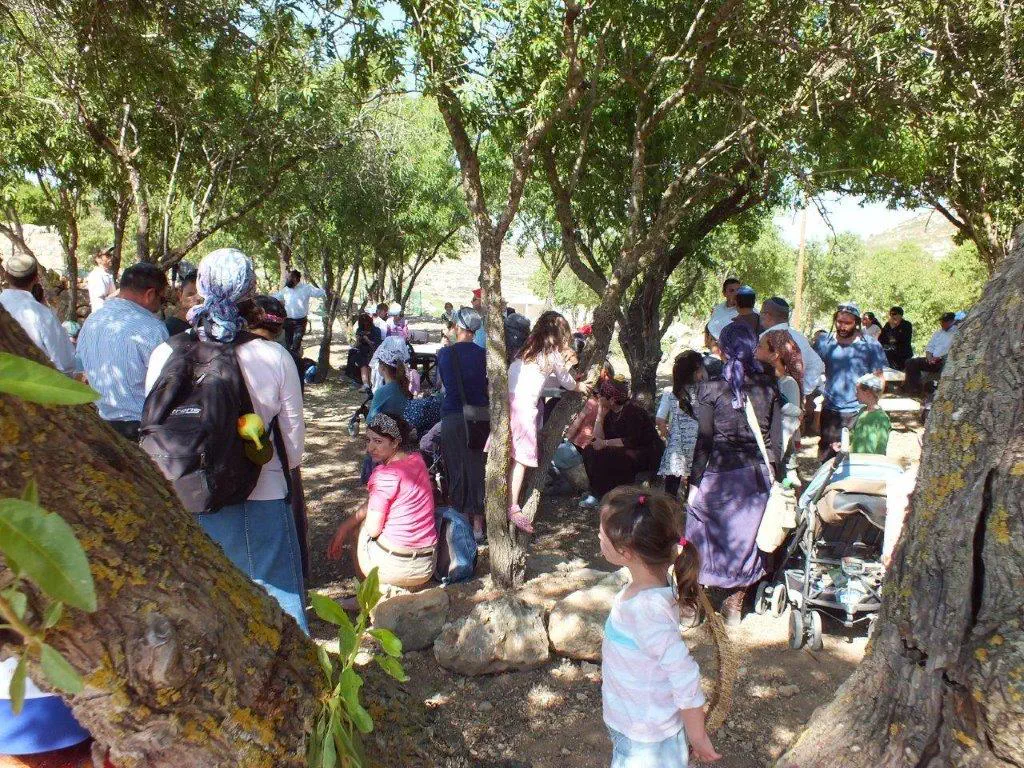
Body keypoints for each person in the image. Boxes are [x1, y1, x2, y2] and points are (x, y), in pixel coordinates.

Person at [146, 248, 308, 632]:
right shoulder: (273, 357)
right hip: (261, 494)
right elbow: (293, 448)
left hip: (187, 493)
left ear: (200, 288)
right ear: (250, 291)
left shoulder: (165, 352)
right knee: (280, 607)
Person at [599, 487, 720, 767]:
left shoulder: (646, 610)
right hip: (631, 723)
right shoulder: (649, 588)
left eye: (602, 535)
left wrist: (698, 735)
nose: (599, 538)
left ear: (625, 552)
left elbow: (685, 676)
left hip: (647, 741)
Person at [687, 321, 781, 626]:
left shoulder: (710, 389)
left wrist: (693, 484)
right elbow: (775, 443)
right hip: (755, 479)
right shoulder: (768, 387)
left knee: (698, 533)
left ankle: (692, 602)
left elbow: (704, 442)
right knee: (748, 539)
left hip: (718, 477)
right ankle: (735, 603)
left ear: (723, 350)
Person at [327, 414, 437, 600]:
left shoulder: (385, 475)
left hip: (397, 566)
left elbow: (373, 529)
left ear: (395, 443)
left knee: (359, 530)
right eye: (368, 440)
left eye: (378, 441)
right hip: (426, 564)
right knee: (357, 523)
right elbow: (377, 502)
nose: (370, 447)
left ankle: (367, 597)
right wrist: (344, 526)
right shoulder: (416, 460)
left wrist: (349, 528)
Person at [77, 262, 170, 440]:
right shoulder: (153, 328)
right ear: (150, 294)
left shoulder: (92, 321)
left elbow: (80, 368)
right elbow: (165, 384)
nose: (161, 305)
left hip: (104, 425)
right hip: (141, 428)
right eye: (162, 298)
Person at [507, 311, 579, 532]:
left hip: (509, 405)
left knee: (510, 457)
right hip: (524, 410)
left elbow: (548, 380)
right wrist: (579, 385)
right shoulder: (553, 355)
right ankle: (513, 506)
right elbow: (567, 382)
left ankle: (509, 500)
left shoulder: (525, 352)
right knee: (520, 461)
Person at [436, 307, 489, 540]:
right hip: (479, 417)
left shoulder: (445, 354)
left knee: (455, 469)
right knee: (478, 468)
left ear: (457, 327)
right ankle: (478, 525)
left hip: (452, 416)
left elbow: (443, 384)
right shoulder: (484, 355)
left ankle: (462, 524)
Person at [813, 302, 888, 462]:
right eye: (839, 321)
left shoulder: (870, 345)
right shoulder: (824, 342)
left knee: (856, 458)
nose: (842, 326)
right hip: (831, 409)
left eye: (847, 323)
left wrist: (872, 407)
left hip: (858, 410)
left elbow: (879, 378)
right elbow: (810, 368)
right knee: (828, 456)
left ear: (857, 323)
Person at [579, 377, 665, 509]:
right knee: (590, 450)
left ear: (612, 400)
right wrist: (600, 417)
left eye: (601, 395)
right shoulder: (608, 412)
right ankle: (598, 492)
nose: (599, 398)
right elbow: (598, 439)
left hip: (645, 451)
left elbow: (632, 440)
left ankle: (609, 495)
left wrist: (605, 443)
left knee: (612, 456)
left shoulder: (633, 411)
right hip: (622, 448)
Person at [0, 253, 77, 375]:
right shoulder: (41, 314)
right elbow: (66, 362)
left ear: (6, 275)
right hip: (34, 381)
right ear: (36, 278)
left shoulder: (40, 313)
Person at [756, 329, 805, 471]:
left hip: (781, 452)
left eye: (760, 346)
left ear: (774, 355)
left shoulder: (787, 383)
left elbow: (790, 421)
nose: (755, 350)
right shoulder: (765, 380)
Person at [656, 351, 704, 498]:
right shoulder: (704, 392)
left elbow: (660, 419)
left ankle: (669, 509)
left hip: (676, 447)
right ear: (696, 371)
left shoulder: (670, 393)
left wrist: (667, 435)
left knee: (671, 489)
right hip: (698, 445)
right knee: (695, 487)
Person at [759, 296, 824, 397]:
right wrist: (802, 391)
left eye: (761, 312)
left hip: (771, 398)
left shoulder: (765, 339)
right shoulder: (800, 338)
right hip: (793, 400)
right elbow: (817, 364)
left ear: (767, 315)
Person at [273, 270, 326, 357]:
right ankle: (290, 360)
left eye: (289, 278)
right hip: (288, 321)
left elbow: (319, 293)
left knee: (296, 345)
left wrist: (327, 291)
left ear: (295, 278)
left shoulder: (306, 288)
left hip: (300, 322)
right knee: (288, 344)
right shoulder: (286, 290)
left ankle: (295, 361)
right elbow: (277, 296)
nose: (287, 279)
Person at [904, 312, 957, 394]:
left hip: (945, 360)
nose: (942, 323)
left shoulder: (957, 332)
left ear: (952, 321)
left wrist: (940, 358)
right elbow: (929, 348)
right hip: (933, 360)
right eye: (941, 321)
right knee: (910, 362)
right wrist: (929, 358)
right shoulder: (938, 333)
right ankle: (915, 390)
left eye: (945, 322)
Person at [843, 373, 891, 455]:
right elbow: (854, 432)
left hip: (869, 461)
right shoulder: (862, 411)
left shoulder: (882, 418)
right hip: (855, 458)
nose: (856, 395)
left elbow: (881, 445)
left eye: (858, 392)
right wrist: (843, 443)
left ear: (867, 393)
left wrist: (877, 460)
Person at [348, 312, 382, 390]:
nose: (365, 324)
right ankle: (366, 385)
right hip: (362, 351)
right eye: (363, 323)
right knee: (363, 365)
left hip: (373, 352)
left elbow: (376, 345)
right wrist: (358, 339)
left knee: (369, 365)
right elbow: (356, 345)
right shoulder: (359, 330)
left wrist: (367, 340)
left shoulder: (376, 330)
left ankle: (371, 385)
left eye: (366, 322)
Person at [165, 267, 200, 336]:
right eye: (190, 294)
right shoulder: (167, 329)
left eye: (202, 296)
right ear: (180, 295)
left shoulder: (212, 327)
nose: (197, 300)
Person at [878, 306, 913, 370]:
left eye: (894, 314)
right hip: (889, 352)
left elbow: (898, 340)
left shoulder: (907, 325)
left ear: (900, 315)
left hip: (903, 353)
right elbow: (881, 339)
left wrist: (892, 328)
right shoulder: (888, 325)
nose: (892, 316)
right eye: (890, 314)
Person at [86, 246, 117, 313]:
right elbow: (102, 299)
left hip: (108, 313)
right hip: (101, 314)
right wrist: (121, 291)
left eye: (110, 255)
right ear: (98, 259)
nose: (110, 257)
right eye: (107, 255)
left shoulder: (107, 274)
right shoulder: (96, 275)